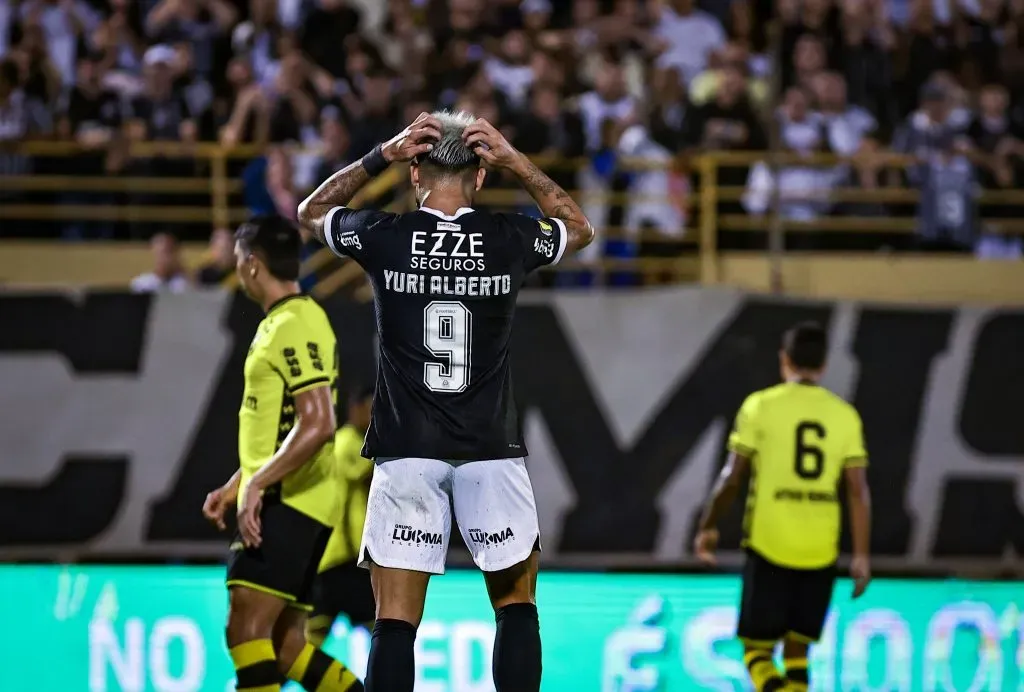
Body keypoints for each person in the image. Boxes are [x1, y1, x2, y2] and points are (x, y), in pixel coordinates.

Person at [297, 110, 594, 692]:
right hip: (490, 446)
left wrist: (381, 152)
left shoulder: (385, 235)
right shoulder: (509, 237)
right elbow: (578, 227)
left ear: (415, 174)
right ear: (480, 178)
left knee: (395, 621)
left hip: (407, 446)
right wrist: (515, 159)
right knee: (515, 605)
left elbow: (309, 213)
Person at [200, 214, 363, 692]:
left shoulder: (293, 322)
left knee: (245, 627)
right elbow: (283, 428)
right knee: (285, 646)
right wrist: (238, 483)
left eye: (237, 261)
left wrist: (258, 485)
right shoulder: (290, 321)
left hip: (289, 502)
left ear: (252, 265)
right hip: (293, 497)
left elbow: (318, 423)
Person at [692, 322, 872, 692]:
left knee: (756, 653)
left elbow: (731, 477)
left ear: (784, 360)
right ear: (823, 366)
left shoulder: (761, 406)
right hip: (821, 548)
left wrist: (708, 525)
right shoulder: (844, 415)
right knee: (797, 650)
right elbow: (857, 490)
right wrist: (861, 555)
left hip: (771, 543)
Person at [306, 385, 377, 648]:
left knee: (381, 632)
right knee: (383, 632)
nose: (373, 417)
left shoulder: (358, 442)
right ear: (355, 409)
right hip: (340, 557)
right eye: (370, 410)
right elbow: (369, 473)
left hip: (349, 560)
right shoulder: (346, 443)